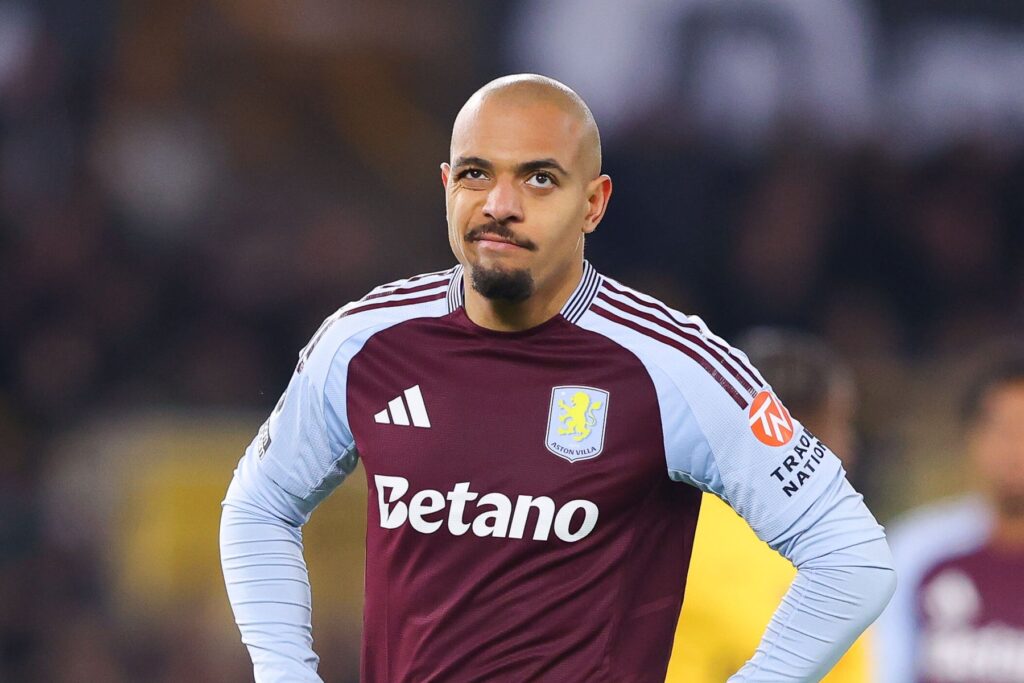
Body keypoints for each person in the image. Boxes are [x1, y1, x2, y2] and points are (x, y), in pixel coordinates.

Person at [220, 74, 895, 682]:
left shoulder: (672, 364)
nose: (500, 204)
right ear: (447, 185)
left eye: (539, 178)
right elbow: (259, 504)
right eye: (477, 174)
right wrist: (283, 671)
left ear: (594, 203)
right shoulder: (365, 342)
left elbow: (852, 557)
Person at [668, 328, 872, 681]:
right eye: (839, 424)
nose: (849, 447)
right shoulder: (825, 555)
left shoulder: (660, 520)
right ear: (792, 430)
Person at [875, 346, 1024, 683]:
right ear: (974, 438)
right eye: (1004, 430)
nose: (1016, 448)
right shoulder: (917, 547)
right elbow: (884, 666)